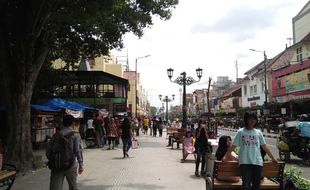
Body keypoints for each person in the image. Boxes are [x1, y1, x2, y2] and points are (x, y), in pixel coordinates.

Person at [225, 112, 277, 190]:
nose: (252, 121)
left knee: (256, 186)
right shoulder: (240, 132)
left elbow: (264, 146)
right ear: (246, 120)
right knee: (246, 185)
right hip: (245, 162)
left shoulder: (258, 132)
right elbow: (233, 146)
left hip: (257, 162)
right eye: (250, 119)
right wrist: (225, 157)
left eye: (254, 119)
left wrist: (273, 158)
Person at [47, 115, 84, 190]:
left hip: (56, 166)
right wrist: (81, 164)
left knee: (55, 188)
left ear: (62, 124)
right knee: (73, 187)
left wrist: (54, 160)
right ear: (73, 123)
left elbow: (48, 151)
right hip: (71, 165)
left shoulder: (56, 135)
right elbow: (78, 151)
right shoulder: (75, 135)